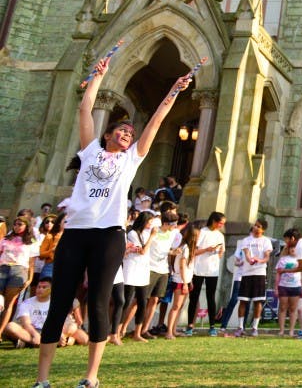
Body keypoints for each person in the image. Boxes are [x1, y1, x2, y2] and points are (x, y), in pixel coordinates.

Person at [34, 54, 190, 388]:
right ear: (108, 135)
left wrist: (173, 92)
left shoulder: (132, 160)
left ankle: (91, 377)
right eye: (122, 129)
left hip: (108, 236)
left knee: (100, 302)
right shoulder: (90, 151)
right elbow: (84, 110)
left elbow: (155, 123)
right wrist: (98, 78)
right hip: (75, 234)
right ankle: (42, 380)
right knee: (59, 302)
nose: (127, 133)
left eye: (129, 132)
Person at [3, 277, 87, 348]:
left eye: (44, 287)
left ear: (51, 290)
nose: (40, 289)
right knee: (10, 326)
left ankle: (28, 342)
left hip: (52, 331)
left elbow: (60, 322)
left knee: (77, 332)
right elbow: (26, 324)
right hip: (32, 331)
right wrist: (35, 335)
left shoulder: (57, 302)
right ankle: (44, 342)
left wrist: (60, 334)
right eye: (38, 287)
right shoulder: (27, 303)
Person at [186, 211, 226, 337]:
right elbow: (193, 251)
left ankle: (212, 325)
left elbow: (222, 251)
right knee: (194, 297)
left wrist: (218, 252)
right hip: (198, 269)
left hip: (212, 271)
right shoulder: (202, 232)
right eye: (220, 223)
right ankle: (190, 325)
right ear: (213, 221)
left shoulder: (220, 235)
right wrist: (206, 250)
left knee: (211, 297)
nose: (221, 225)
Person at [119, 211, 155, 342]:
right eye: (149, 221)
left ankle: (137, 333)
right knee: (127, 301)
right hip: (131, 269)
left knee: (142, 302)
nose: (151, 224)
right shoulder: (133, 233)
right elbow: (143, 250)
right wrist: (152, 237)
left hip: (143, 270)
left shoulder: (147, 233)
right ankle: (118, 331)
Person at [234, 219, 272, 337]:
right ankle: (240, 327)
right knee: (243, 300)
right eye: (255, 225)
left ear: (263, 229)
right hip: (246, 274)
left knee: (258, 301)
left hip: (259, 273)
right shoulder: (246, 240)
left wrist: (259, 260)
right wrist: (250, 259)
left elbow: (266, 257)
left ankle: (255, 327)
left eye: (258, 226)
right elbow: (246, 254)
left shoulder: (266, 241)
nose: (255, 228)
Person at [1, 216, 37, 336]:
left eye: (20, 224)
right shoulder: (6, 238)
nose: (17, 227)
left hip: (19, 270)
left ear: (26, 226)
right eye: (15, 224)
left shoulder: (31, 241)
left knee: (8, 303)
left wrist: (30, 278)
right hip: (3, 267)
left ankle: (0, 332)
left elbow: (32, 263)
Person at [165, 223, 198, 340]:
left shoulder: (188, 248)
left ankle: (173, 329)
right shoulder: (185, 248)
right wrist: (185, 283)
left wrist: (189, 281)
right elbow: (182, 266)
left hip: (185, 280)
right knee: (176, 306)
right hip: (180, 280)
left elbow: (189, 267)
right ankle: (169, 331)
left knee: (180, 306)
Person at [276, 242, 302, 336]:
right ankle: (281, 330)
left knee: (293, 309)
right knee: (283, 308)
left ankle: (291, 330)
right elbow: (278, 274)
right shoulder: (283, 259)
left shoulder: (300, 260)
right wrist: (276, 288)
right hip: (283, 286)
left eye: (295, 248)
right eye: (291, 247)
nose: (293, 249)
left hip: (295, 286)